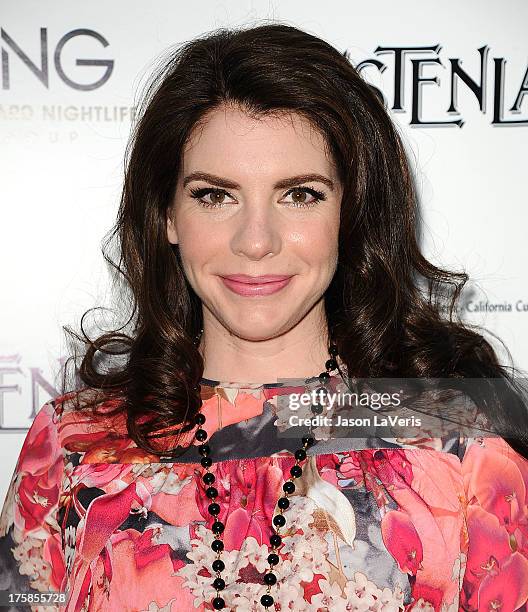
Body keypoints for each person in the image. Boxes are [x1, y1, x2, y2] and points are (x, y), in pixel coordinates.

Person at [1, 22, 528, 612]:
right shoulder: (73, 448)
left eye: (299, 194)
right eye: (214, 195)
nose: (256, 241)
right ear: (168, 215)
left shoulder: (462, 452)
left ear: (350, 213)